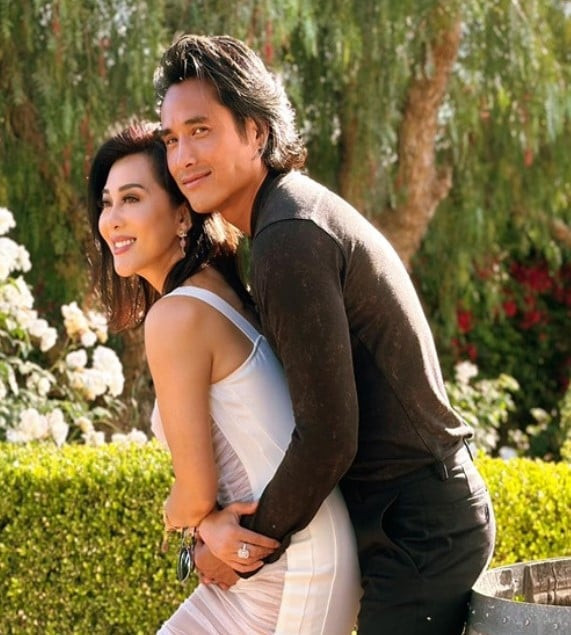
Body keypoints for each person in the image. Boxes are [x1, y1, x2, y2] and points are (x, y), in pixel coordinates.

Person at [153, 33, 497, 635]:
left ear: (256, 132)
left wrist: (243, 546)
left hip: (418, 527)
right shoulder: (282, 222)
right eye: (171, 139)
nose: (182, 157)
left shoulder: (289, 235)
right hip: (406, 518)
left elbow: (329, 436)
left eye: (200, 130)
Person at [86, 122, 361, 634]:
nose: (113, 219)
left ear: (182, 215)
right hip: (268, 555)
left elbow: (194, 493)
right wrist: (206, 523)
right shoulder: (221, 288)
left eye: (132, 198)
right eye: (107, 203)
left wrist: (181, 519)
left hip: (292, 568)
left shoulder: (177, 315)